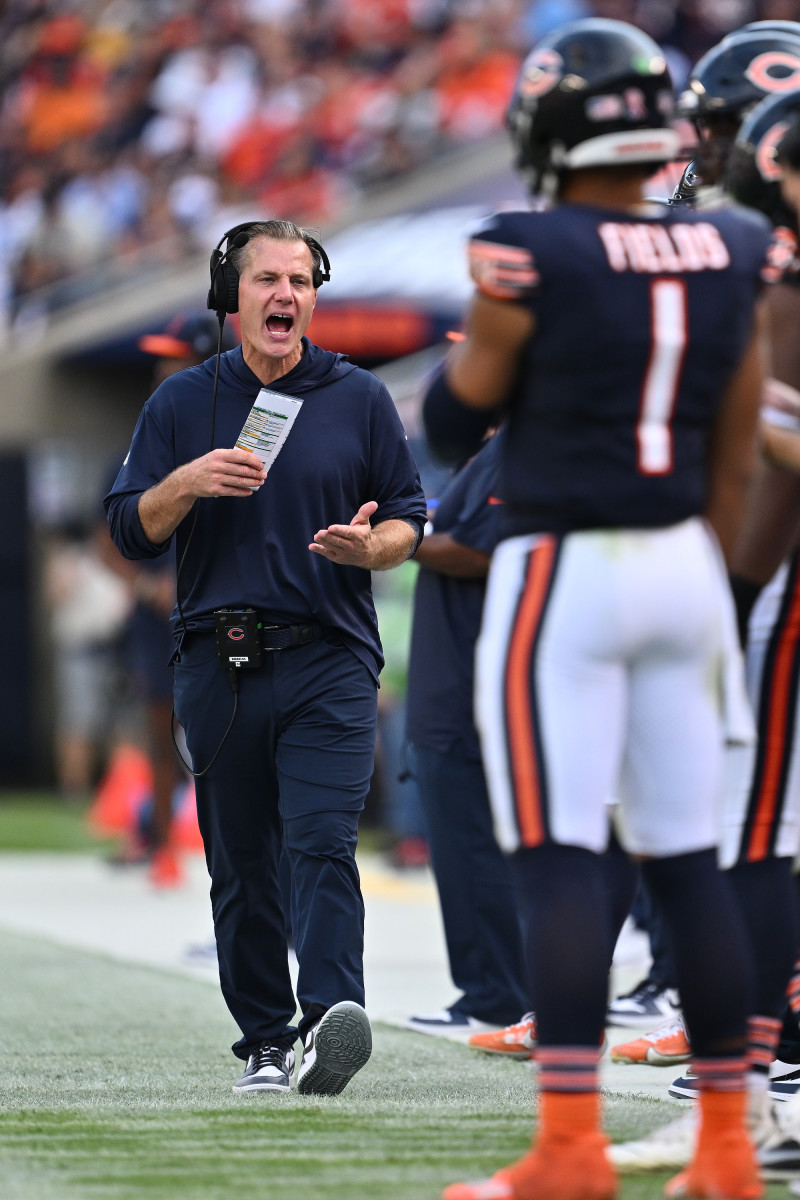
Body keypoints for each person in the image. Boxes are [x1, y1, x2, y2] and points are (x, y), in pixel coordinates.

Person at [422, 18, 775, 1200]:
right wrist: (708, 563)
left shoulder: (525, 249)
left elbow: (453, 411)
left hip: (562, 571)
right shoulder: (732, 247)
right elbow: (734, 444)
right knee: (689, 860)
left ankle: (569, 1147)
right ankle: (726, 1142)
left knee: (560, 858)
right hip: (687, 561)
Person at [105, 218, 427, 1096]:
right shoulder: (179, 404)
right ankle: (264, 1039)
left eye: (301, 280)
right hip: (219, 660)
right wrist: (186, 484)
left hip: (330, 655)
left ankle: (329, 1020)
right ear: (231, 297)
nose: (286, 295)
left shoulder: (360, 398)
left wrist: (376, 548)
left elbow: (408, 516)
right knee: (241, 860)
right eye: (267, 281)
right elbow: (129, 529)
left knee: (323, 842)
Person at [403, 427, 530, 1038]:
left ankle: (498, 994)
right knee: (456, 849)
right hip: (450, 677)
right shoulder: (486, 448)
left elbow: (484, 548)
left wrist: (398, 540)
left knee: (473, 847)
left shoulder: (514, 447)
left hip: (469, 683)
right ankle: (483, 987)